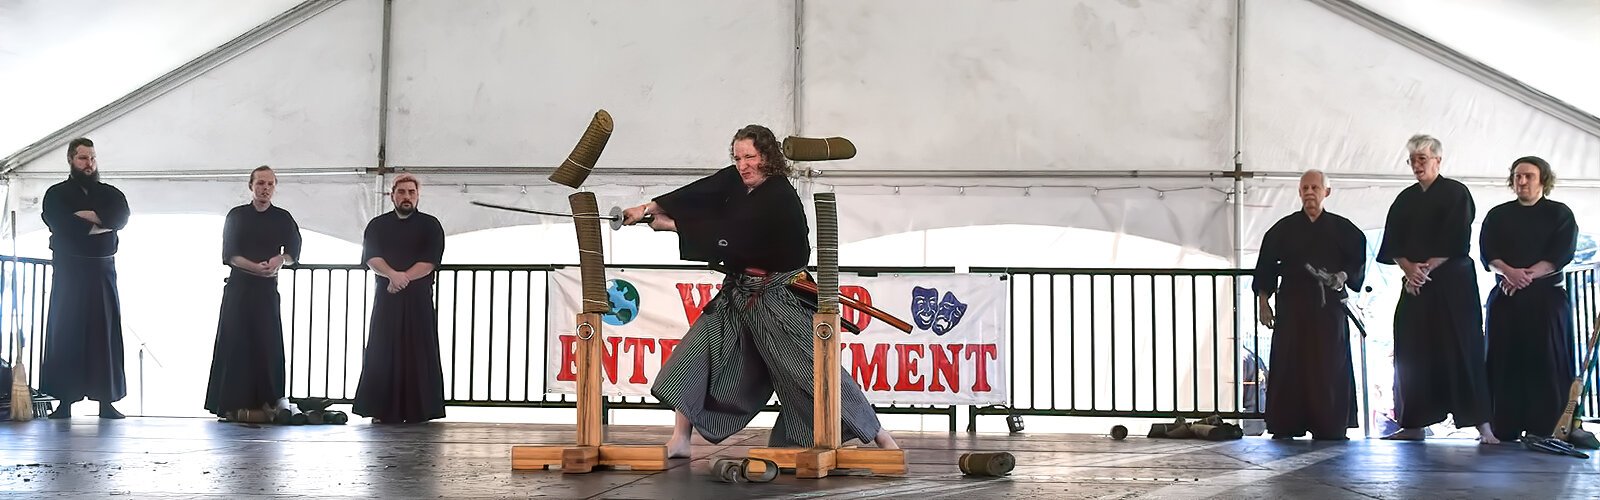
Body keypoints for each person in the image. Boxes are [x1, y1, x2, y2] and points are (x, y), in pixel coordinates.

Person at [622, 124, 898, 458]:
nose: (743, 165)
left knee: (811, 368)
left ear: (767, 156)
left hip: (778, 296)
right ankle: (680, 437)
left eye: (750, 157)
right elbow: (699, 194)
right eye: (738, 158)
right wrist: (645, 209)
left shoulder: (778, 195)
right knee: (693, 355)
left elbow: (736, 234)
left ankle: (881, 436)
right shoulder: (736, 181)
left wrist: (673, 225)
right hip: (739, 294)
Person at [1376, 134, 1496, 443]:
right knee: (1412, 351)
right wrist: (1410, 270)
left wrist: (1423, 269)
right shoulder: (1405, 199)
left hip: (1452, 283)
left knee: (1462, 348)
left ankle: (1482, 425)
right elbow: (1393, 243)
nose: (1417, 165)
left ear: (1437, 161)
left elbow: (1457, 239)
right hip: (1417, 285)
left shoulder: (1456, 193)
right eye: (1413, 160)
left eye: (1423, 159)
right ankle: (1415, 423)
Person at [1253, 170, 1367, 440]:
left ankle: (1329, 425)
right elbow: (1266, 265)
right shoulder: (1283, 229)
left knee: (1329, 364)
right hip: (1293, 305)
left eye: (1315, 187)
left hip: (1328, 308)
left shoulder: (1343, 228)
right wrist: (1263, 302)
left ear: (1326, 192)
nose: (1309, 192)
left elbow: (1357, 259)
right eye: (1305, 188)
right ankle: (1285, 424)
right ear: (1299, 192)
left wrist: (1343, 276)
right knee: (1289, 363)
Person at [1479, 156, 1578, 442]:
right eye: (1517, 176)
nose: (1521, 181)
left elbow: (1560, 254)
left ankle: (1547, 426)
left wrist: (1526, 277)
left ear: (1543, 180)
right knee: (1504, 360)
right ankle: (1505, 425)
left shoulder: (1560, 214)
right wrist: (1510, 273)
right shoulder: (1498, 215)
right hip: (1506, 296)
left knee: (1546, 360)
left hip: (1546, 298)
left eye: (1528, 176)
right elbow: (1489, 254)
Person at [39, 137, 131, 419]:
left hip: (102, 271)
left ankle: (106, 401)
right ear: (71, 160)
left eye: (92, 158)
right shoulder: (56, 194)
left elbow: (121, 217)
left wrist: (88, 217)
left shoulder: (110, 193)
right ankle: (64, 401)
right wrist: (101, 223)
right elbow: (61, 224)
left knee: (103, 332)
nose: (89, 164)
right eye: (83, 159)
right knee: (67, 331)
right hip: (69, 271)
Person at [203, 166, 303, 420]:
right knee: (236, 342)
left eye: (269, 184)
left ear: (274, 187)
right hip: (240, 287)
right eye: (260, 183)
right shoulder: (237, 216)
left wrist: (278, 260)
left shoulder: (282, 217)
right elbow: (230, 254)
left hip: (267, 289)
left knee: (267, 343)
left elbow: (293, 251)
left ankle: (269, 400)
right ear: (251, 186)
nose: (265, 188)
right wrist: (254, 267)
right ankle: (230, 402)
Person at [353, 174, 446, 423]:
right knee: (384, 352)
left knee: (418, 352)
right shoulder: (377, 225)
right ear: (392, 195)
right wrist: (393, 276)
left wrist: (402, 278)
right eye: (402, 192)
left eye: (411, 192)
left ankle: (419, 410)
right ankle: (383, 410)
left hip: (418, 299)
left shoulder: (430, 225)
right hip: (387, 297)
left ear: (417, 196)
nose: (407, 197)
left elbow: (429, 262)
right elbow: (372, 257)